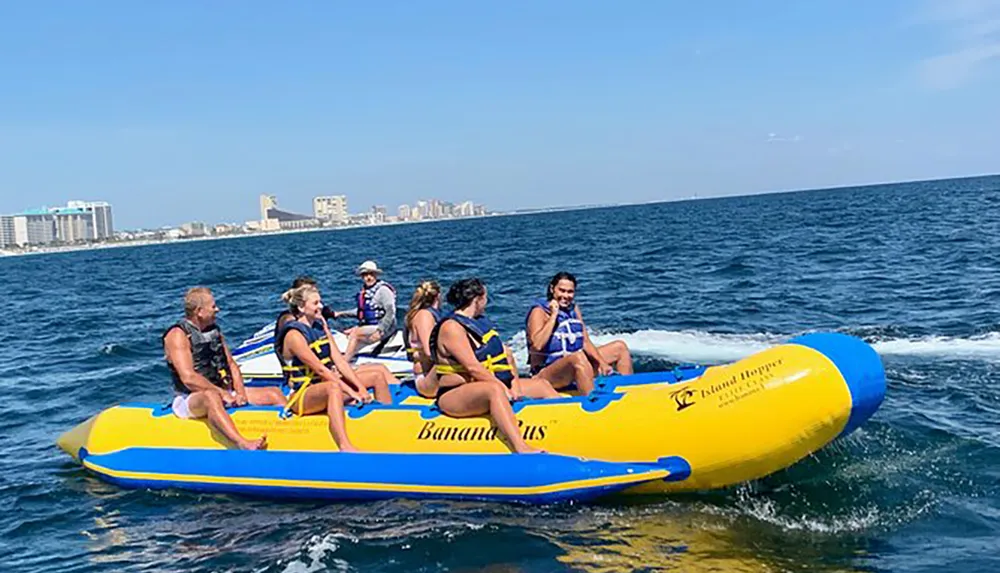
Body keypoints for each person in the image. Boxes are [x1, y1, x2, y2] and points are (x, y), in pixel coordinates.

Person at [431, 278, 560, 454]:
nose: (486, 303)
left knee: (541, 385)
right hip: (455, 394)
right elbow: (473, 368)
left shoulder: (479, 323)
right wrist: (502, 388)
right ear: (477, 299)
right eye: (485, 298)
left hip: (485, 385)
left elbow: (506, 355)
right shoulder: (451, 328)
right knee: (493, 390)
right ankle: (520, 447)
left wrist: (514, 385)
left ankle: (565, 425)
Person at [163, 287, 286, 450]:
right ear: (199, 311)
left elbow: (231, 364)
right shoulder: (177, 335)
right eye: (213, 306)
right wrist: (222, 394)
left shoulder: (214, 332)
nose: (217, 309)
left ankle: (295, 432)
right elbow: (189, 378)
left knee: (274, 393)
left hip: (224, 391)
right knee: (210, 397)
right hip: (190, 399)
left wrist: (240, 392)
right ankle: (241, 443)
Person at [276, 284, 393, 452]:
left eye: (320, 302)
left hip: (324, 386)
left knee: (376, 376)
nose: (321, 306)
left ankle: (387, 422)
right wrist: (352, 393)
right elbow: (321, 370)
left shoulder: (319, 327)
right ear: (301, 307)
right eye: (316, 303)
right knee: (333, 387)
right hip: (302, 395)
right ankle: (344, 444)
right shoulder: (294, 336)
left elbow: (340, 362)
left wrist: (361, 389)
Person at [277, 275, 399, 393]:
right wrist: (353, 390)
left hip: (327, 371)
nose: (320, 305)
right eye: (314, 299)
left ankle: (400, 396)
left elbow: (328, 352)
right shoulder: (291, 325)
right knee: (375, 376)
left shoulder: (317, 323)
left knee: (380, 368)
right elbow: (315, 365)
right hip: (310, 381)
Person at [525, 272, 633, 394]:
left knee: (619, 347)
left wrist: (602, 363)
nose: (566, 296)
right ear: (552, 289)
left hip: (573, 366)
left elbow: (585, 342)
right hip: (546, 374)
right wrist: (553, 315)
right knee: (577, 357)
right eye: (562, 290)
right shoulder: (539, 312)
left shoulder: (573, 309)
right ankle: (592, 404)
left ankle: (627, 392)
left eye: (570, 292)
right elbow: (537, 345)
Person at [336, 261, 397, 363]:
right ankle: (351, 357)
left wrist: (380, 331)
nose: (368, 277)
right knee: (347, 332)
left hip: (384, 328)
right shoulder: (366, 291)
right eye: (365, 275)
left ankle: (343, 364)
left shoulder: (383, 290)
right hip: (371, 326)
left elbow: (390, 312)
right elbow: (363, 312)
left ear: (376, 275)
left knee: (354, 334)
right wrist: (340, 314)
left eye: (371, 274)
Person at [403, 280, 444, 398]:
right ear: (438, 296)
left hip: (431, 375)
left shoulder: (425, 314)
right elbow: (429, 351)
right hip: (426, 380)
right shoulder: (423, 316)